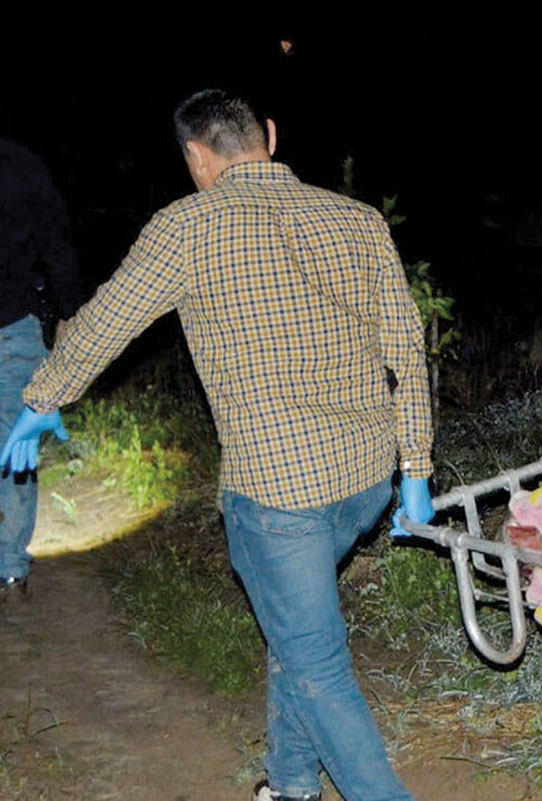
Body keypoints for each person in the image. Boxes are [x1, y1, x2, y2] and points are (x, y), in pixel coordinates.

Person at [0, 90, 433, 801]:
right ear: (269, 134)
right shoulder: (359, 220)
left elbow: (107, 321)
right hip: (367, 478)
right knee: (296, 633)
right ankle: (292, 786)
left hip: (278, 491)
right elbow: (406, 349)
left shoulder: (188, 225)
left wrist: (41, 398)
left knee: (316, 661)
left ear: (196, 158)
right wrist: (416, 464)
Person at [0, 137, 83, 602]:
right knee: (14, 449)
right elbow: (57, 242)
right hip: (13, 328)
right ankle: (10, 572)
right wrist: (69, 312)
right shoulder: (22, 163)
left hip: (12, 329)